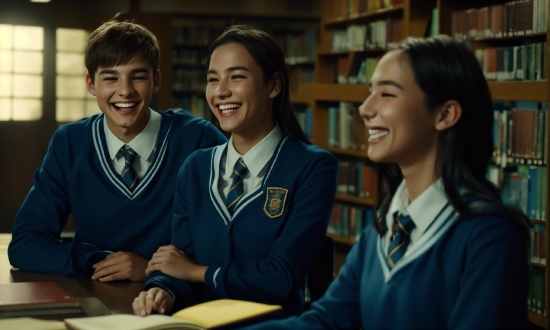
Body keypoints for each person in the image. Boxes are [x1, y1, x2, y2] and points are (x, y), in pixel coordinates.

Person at [242, 35, 531, 329]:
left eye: (387, 94)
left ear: (445, 114)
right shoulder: (382, 230)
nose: (365, 109)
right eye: (370, 92)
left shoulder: (489, 236)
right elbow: (328, 320)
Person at [131, 25, 338, 317]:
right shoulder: (196, 168)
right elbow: (177, 259)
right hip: (196, 323)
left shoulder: (313, 167)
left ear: (274, 85)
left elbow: (279, 278)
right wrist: (162, 288)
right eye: (213, 80)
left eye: (236, 76)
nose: (221, 91)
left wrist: (196, 272)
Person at [8, 21, 227, 282]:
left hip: (176, 295)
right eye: (110, 78)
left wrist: (149, 269)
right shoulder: (70, 142)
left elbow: (228, 240)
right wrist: (99, 261)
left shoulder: (199, 138)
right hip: (96, 292)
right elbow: (25, 244)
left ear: (156, 81)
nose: (125, 90)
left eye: (138, 76)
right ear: (91, 84)